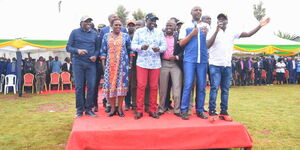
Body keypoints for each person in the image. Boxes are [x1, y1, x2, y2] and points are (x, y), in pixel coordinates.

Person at [206, 13, 270, 121]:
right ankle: (212, 112)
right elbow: (207, 45)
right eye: (219, 19)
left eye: (223, 19)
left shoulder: (232, 31)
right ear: (217, 21)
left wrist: (260, 26)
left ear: (227, 20)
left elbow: (248, 34)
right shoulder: (212, 30)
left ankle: (224, 112)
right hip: (215, 65)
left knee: (225, 89)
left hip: (227, 65)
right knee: (214, 88)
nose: (221, 20)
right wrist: (217, 30)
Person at [131, 13, 167, 119]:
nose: (153, 22)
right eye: (151, 20)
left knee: (154, 87)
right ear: (146, 20)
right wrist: (141, 47)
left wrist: (159, 49)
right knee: (141, 86)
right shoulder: (138, 31)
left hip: (155, 63)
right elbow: (133, 45)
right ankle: (139, 110)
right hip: (142, 63)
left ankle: (152, 110)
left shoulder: (159, 32)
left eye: (155, 21)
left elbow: (164, 46)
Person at [179, 6, 209, 120]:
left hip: (202, 60)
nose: (198, 12)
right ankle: (184, 110)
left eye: (200, 10)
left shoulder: (206, 26)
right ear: (191, 12)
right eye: (196, 10)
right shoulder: (186, 26)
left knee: (202, 86)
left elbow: (210, 43)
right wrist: (192, 34)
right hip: (190, 60)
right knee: (188, 84)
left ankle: (200, 110)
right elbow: (181, 43)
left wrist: (207, 35)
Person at [66, 15, 99, 118]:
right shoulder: (74, 32)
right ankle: (79, 110)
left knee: (92, 86)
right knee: (79, 87)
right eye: (86, 21)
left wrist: (95, 56)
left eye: (90, 21)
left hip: (91, 64)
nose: (88, 23)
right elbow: (68, 47)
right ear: (81, 23)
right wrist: (77, 50)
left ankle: (89, 109)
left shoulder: (94, 34)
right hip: (78, 63)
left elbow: (98, 48)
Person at [100, 18, 132, 117]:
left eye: (119, 25)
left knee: (121, 86)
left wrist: (130, 63)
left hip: (123, 66)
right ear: (111, 26)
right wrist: (104, 65)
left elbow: (130, 50)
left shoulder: (125, 36)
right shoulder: (106, 36)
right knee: (111, 87)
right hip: (110, 66)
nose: (118, 27)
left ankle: (120, 108)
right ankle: (113, 108)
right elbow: (103, 51)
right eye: (116, 25)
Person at [158, 20, 183, 117]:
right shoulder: (161, 36)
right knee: (163, 88)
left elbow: (183, 50)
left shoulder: (179, 37)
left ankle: (177, 110)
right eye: (167, 25)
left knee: (177, 87)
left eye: (171, 25)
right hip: (163, 63)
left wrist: (177, 57)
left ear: (175, 27)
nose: (169, 27)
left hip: (175, 64)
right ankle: (161, 108)